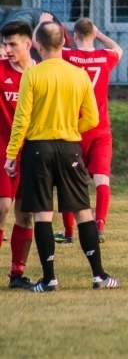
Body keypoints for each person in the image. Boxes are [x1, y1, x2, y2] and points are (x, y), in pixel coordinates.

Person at [4, 21, 119, 292]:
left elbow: (21, 119)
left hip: (37, 149)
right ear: (64, 44)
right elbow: (92, 118)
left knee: (43, 214)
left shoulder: (32, 74)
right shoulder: (78, 75)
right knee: (82, 211)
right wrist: (69, 129)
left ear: (39, 46)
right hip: (70, 149)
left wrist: (12, 153)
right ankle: (99, 276)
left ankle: (49, 279)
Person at [53, 17, 123, 244]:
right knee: (102, 179)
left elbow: (42, 45)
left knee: (67, 179)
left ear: (74, 36)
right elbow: (117, 49)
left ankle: (69, 231)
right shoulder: (105, 57)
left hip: (73, 127)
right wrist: (100, 34)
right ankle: (99, 224)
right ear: (93, 34)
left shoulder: (66, 56)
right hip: (100, 127)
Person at [0, 21, 37, 289]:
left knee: (26, 215)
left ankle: (17, 275)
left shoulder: (40, 73)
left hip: (33, 152)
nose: (7, 49)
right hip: (3, 149)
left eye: (13, 43)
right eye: (4, 44)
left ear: (28, 44)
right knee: (2, 207)